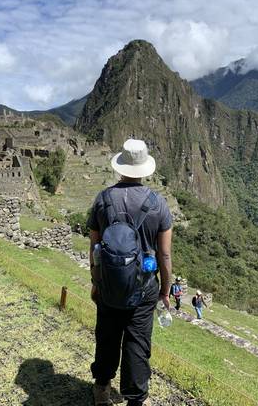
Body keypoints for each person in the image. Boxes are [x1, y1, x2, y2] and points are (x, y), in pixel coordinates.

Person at [88, 139, 173, 406]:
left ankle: (102, 388)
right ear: (145, 169)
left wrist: (95, 282)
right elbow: (165, 255)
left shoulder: (103, 199)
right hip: (145, 287)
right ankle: (135, 399)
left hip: (109, 284)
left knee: (107, 336)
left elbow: (94, 249)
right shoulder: (158, 204)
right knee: (137, 342)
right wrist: (165, 291)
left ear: (120, 167)